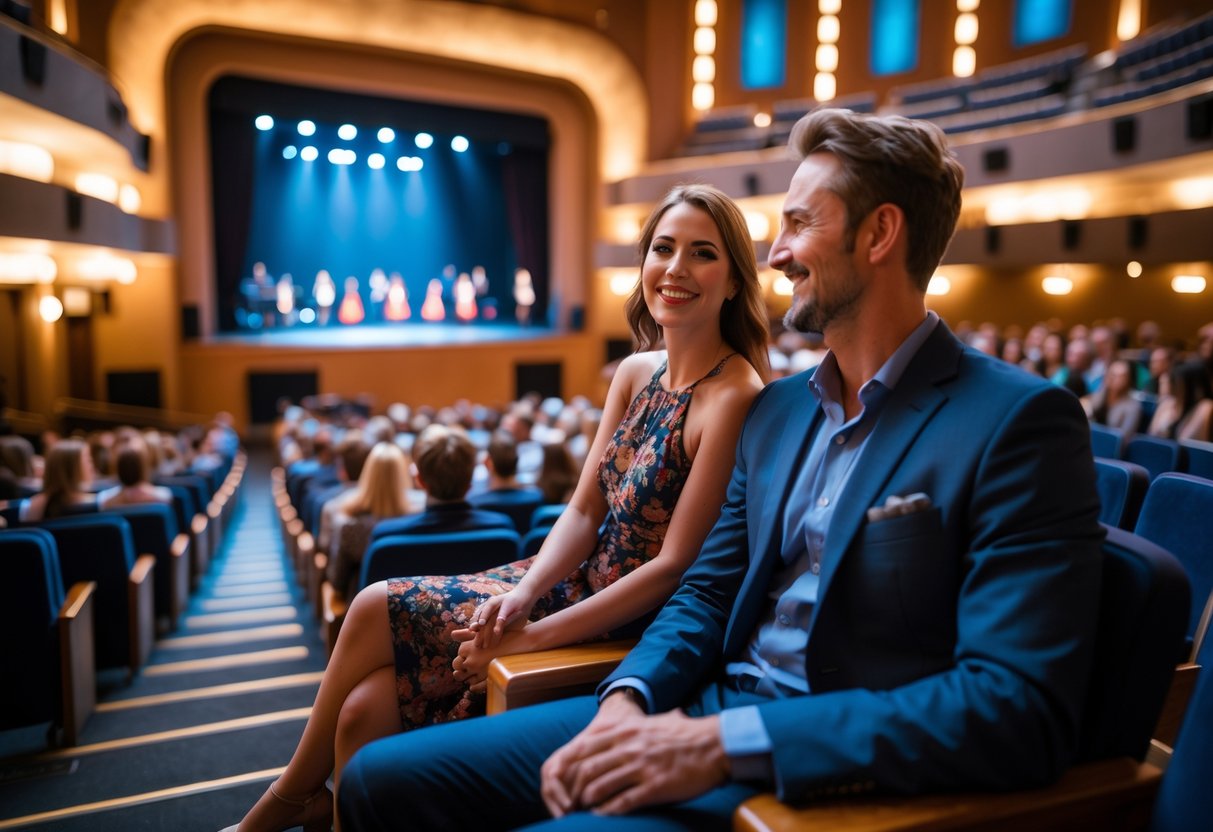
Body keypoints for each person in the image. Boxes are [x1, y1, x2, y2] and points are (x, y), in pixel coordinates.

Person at [338, 108, 1105, 831]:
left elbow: (1016, 709)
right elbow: (704, 591)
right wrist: (627, 700)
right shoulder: (779, 413)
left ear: (879, 234)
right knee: (379, 781)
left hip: (814, 768)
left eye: (798, 224)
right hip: (693, 704)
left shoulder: (1018, 422)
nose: (774, 254)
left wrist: (723, 745)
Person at [222, 182, 769, 832]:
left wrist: (531, 635)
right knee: (361, 710)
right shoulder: (634, 372)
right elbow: (583, 511)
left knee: (369, 605)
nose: (675, 269)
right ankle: (316, 805)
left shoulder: (733, 394)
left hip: (622, 624)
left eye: (701, 253)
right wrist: (522, 594)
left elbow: (673, 568)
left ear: (734, 280)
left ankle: (281, 804)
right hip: (559, 585)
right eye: (663, 248)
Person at [326, 441, 415, 599]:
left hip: (363, 615)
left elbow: (337, 581)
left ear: (368, 474)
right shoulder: (417, 519)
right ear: (402, 475)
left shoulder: (350, 526)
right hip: (412, 609)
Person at [20, 439, 117, 522]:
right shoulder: (101, 503)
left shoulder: (30, 508)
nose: (92, 465)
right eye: (88, 460)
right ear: (73, 469)